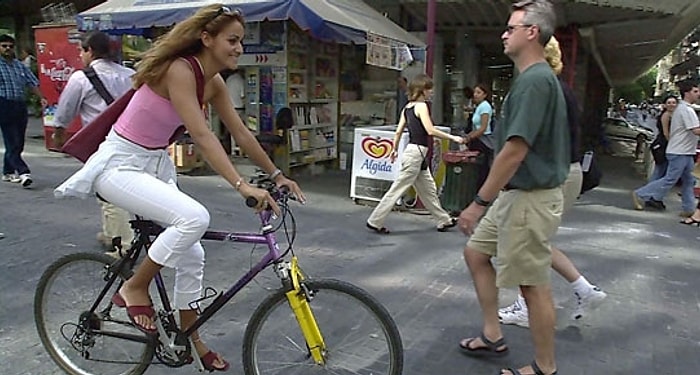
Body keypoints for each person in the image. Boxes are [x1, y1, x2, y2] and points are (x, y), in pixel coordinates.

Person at [54, 5, 305, 371]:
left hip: (155, 166)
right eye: (232, 40)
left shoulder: (214, 82)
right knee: (193, 218)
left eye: (241, 41)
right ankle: (135, 287)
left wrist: (277, 175)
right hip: (121, 165)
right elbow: (202, 136)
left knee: (193, 254)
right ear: (207, 38)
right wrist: (241, 185)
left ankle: (193, 341)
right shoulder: (180, 70)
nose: (238, 48)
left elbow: (241, 133)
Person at [456, 1, 567, 375]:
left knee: (532, 285)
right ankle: (493, 334)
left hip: (529, 198)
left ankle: (544, 368)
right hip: (516, 195)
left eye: (511, 27)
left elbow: (514, 151)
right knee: (476, 253)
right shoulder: (532, 79)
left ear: (531, 32)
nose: (504, 33)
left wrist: (478, 202)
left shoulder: (536, 81)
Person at [498, 36, 606, 328]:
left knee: (527, 244)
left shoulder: (542, 87)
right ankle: (584, 290)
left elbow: (523, 143)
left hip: (552, 176)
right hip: (564, 172)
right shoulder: (557, 88)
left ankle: (530, 311)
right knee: (535, 242)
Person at [52, 31, 137, 252]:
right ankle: (111, 233)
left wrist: (59, 134)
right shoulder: (130, 75)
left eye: (82, 50)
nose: (81, 55)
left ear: (89, 50)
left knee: (110, 192)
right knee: (125, 186)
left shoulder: (81, 78)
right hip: (133, 139)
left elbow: (64, 111)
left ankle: (123, 247)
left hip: (103, 145)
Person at [366, 74, 465, 234]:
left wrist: (393, 149)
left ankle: (443, 220)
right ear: (422, 90)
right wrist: (453, 137)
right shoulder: (422, 106)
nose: (431, 92)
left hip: (414, 153)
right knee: (398, 188)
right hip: (416, 154)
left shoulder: (407, 108)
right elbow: (430, 130)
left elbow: (398, 132)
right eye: (429, 89)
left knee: (429, 190)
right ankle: (375, 221)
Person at [632, 80, 700, 218]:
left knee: (689, 180)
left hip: (685, 151)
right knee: (670, 179)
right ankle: (640, 193)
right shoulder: (687, 110)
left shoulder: (682, 108)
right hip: (679, 151)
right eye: (695, 91)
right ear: (687, 93)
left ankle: (689, 208)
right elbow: (696, 130)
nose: (698, 94)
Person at [0, 34, 47, 187]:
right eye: (4, 46)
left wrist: (41, 98)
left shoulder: (19, 65)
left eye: (10, 46)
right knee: (11, 140)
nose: (7, 49)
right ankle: (23, 172)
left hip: (19, 105)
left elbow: (32, 82)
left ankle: (7, 172)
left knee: (19, 141)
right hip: (3, 104)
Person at [465, 83, 494, 189]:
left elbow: (483, 128)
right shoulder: (479, 107)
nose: (476, 95)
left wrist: (469, 137)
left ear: (485, 94)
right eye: (475, 92)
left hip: (483, 141)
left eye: (479, 92)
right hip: (476, 139)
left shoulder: (485, 107)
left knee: (481, 169)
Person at [648, 95, 678, 187]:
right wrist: (672, 145)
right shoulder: (666, 115)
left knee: (662, 171)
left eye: (673, 103)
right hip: (663, 146)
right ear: (665, 105)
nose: (671, 105)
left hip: (665, 145)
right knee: (660, 171)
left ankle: (650, 193)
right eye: (669, 103)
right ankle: (647, 193)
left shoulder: (674, 115)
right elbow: (666, 133)